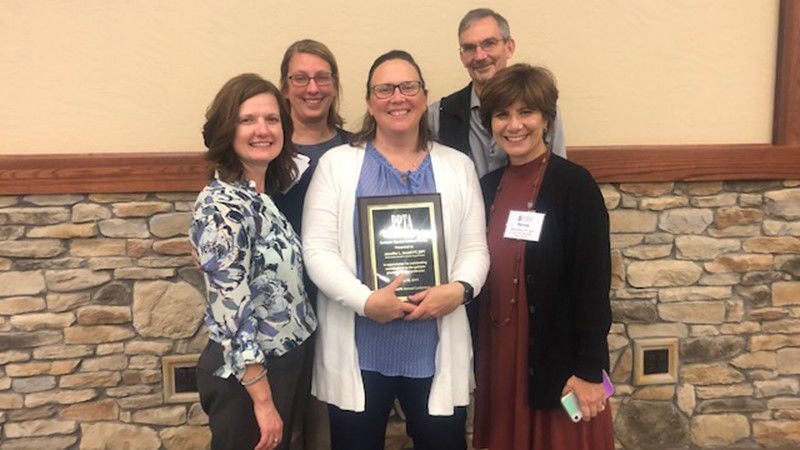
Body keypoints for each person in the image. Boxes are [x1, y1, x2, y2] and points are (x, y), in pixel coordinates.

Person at [302, 50, 489, 450]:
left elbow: (476, 249)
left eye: (408, 87)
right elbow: (317, 251)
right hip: (360, 348)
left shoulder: (458, 167)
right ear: (369, 101)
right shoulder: (337, 165)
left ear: (424, 96)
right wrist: (366, 301)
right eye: (384, 89)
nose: (397, 98)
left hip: (434, 349)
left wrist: (458, 291)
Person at [472, 64, 613, 450]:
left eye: (526, 112)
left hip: (557, 360)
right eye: (502, 114)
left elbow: (593, 284)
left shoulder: (574, 185)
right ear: (490, 123)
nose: (514, 125)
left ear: (546, 119)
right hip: (498, 355)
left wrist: (588, 370)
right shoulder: (485, 188)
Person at [191, 73, 317, 450]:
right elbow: (232, 315)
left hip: (282, 361)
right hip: (249, 375)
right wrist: (262, 401)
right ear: (226, 130)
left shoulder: (259, 196)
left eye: (272, 119)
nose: (262, 129)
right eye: (247, 120)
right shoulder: (221, 207)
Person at [270, 39, 350, 450]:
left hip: (341, 304)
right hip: (280, 313)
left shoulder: (358, 148)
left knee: (330, 424)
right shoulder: (266, 149)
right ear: (285, 87)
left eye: (322, 77)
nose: (312, 87)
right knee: (284, 422)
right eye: (300, 78)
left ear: (335, 85)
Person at [428, 7, 567, 180]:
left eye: (489, 43)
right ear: (462, 57)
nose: (479, 56)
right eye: (469, 48)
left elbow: (560, 176)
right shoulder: (438, 115)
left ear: (509, 47)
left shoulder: (541, 107)